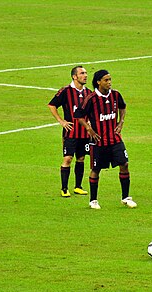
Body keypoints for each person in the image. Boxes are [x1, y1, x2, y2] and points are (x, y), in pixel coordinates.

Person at [74, 69, 137, 209]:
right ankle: (93, 200)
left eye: (110, 80)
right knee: (96, 169)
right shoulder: (91, 99)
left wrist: (121, 122)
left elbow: (123, 107)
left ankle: (126, 197)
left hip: (115, 139)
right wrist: (89, 128)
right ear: (98, 82)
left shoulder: (115, 95)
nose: (109, 82)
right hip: (99, 142)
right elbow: (78, 115)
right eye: (106, 80)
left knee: (124, 164)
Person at [48, 66, 92, 197]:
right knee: (68, 158)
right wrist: (61, 121)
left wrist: (90, 122)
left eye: (86, 73)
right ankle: (64, 188)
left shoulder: (89, 93)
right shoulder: (65, 91)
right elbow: (52, 105)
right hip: (71, 132)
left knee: (81, 158)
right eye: (82, 73)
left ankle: (78, 187)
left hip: (84, 133)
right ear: (74, 76)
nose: (85, 75)